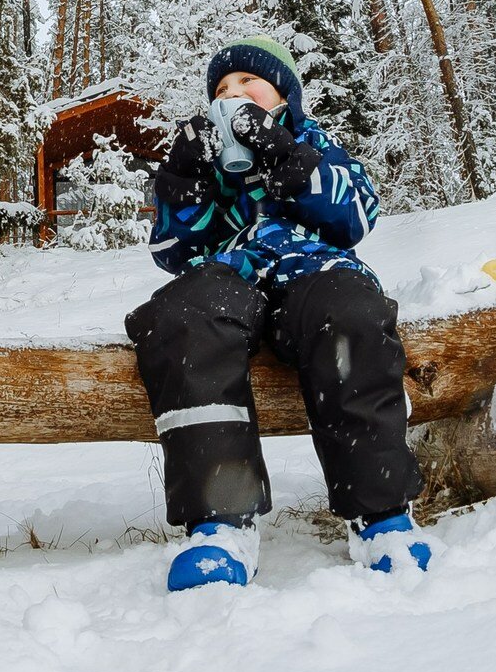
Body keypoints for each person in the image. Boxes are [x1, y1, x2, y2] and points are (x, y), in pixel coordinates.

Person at [126, 35, 432, 590]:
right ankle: (221, 524)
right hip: (236, 278)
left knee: (350, 313)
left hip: (314, 272)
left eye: (248, 82)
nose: (232, 93)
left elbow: (356, 215)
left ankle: (382, 514)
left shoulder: (316, 146)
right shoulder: (213, 170)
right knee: (182, 314)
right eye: (221, 88)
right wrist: (183, 176)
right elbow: (174, 253)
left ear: (284, 97)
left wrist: (284, 153)